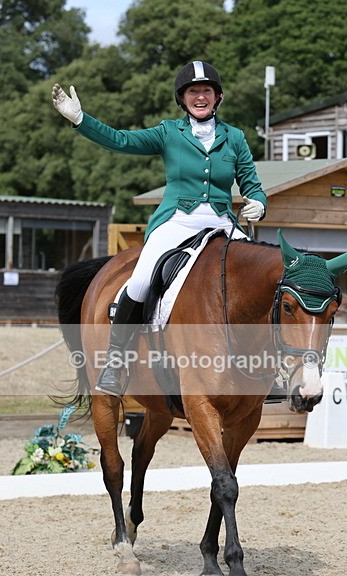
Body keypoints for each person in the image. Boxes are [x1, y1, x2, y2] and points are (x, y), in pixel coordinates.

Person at [52, 61, 267, 395]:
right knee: (139, 280)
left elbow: (252, 184)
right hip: (178, 222)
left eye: (206, 91)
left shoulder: (235, 138)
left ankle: (270, 368)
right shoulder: (168, 132)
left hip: (223, 224)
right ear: (182, 98)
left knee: (262, 280)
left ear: (218, 96)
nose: (200, 96)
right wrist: (81, 119)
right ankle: (115, 361)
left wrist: (259, 203)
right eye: (193, 91)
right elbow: (121, 140)